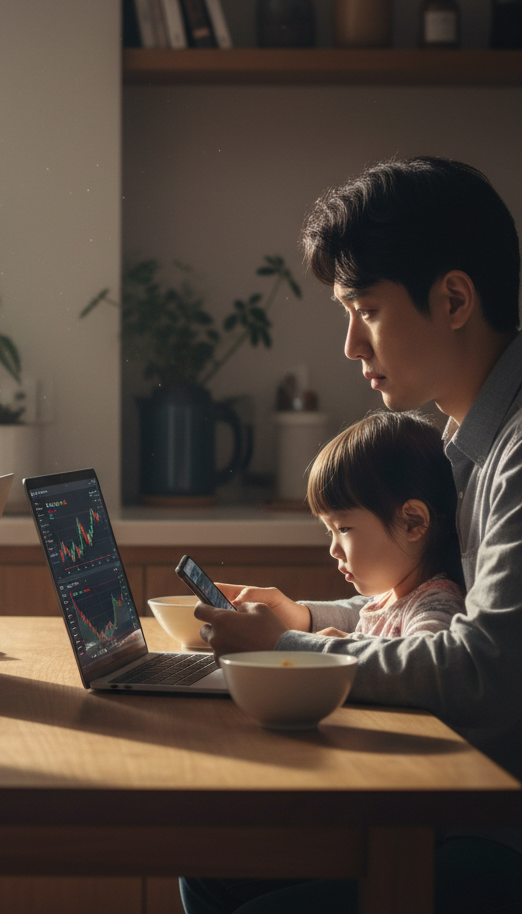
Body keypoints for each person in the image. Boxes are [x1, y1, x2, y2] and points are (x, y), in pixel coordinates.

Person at [183, 157, 522, 914]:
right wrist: (299, 620)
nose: (349, 345)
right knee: (207, 863)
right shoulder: (466, 439)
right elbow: (426, 600)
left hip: (494, 834)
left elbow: (485, 675)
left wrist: (286, 649)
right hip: (453, 801)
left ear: (456, 298)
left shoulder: (515, 452)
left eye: (365, 310)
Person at [303, 410, 465, 640]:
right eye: (330, 531)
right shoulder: (388, 598)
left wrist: (342, 647)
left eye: (344, 529)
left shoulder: (436, 604)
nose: (333, 550)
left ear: (412, 522)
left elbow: (422, 662)